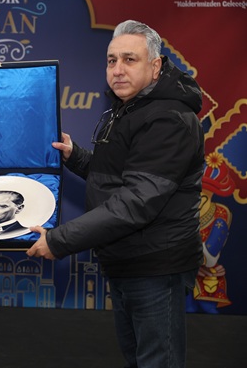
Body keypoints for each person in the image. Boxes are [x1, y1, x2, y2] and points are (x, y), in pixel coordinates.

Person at [27, 20, 204, 368]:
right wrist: (75, 156)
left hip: (155, 266)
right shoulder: (130, 108)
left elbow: (136, 201)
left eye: (129, 59)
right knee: (137, 358)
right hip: (127, 260)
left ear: (155, 66)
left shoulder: (168, 119)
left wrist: (59, 240)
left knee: (157, 362)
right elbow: (116, 176)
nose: (117, 69)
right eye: (111, 60)